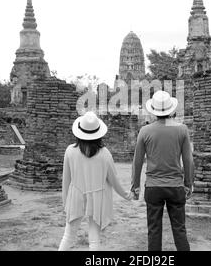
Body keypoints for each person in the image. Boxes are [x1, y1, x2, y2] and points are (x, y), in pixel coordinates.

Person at [58, 111, 132, 251]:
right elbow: (113, 180)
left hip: (75, 196)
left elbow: (66, 180)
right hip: (96, 199)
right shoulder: (105, 154)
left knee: (68, 236)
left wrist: (65, 203)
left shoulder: (70, 151)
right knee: (94, 240)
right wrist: (126, 195)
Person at [131, 90, 194, 251]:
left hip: (153, 187)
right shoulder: (182, 130)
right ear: (171, 109)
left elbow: (137, 161)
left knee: (154, 230)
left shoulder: (145, 131)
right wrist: (188, 184)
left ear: (153, 111)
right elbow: (188, 160)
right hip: (175, 186)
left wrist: (135, 186)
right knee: (180, 230)